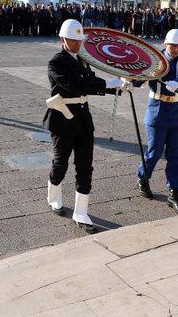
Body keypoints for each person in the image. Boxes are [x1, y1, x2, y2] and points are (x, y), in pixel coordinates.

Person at [44, 19, 129, 233]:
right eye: (72, 40)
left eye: (78, 40)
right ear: (63, 39)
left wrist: (117, 87)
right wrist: (108, 84)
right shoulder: (56, 62)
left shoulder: (82, 60)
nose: (76, 44)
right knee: (60, 162)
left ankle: (81, 212)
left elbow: (90, 81)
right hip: (63, 119)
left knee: (85, 166)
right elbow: (75, 85)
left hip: (82, 120)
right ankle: (53, 196)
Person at [135, 29, 178, 215]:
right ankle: (143, 177)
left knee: (176, 154)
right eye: (173, 45)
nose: (176, 49)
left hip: (177, 113)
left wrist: (177, 83)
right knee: (154, 152)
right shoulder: (154, 59)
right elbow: (141, 76)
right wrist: (129, 79)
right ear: (165, 43)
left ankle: (173, 193)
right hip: (157, 111)